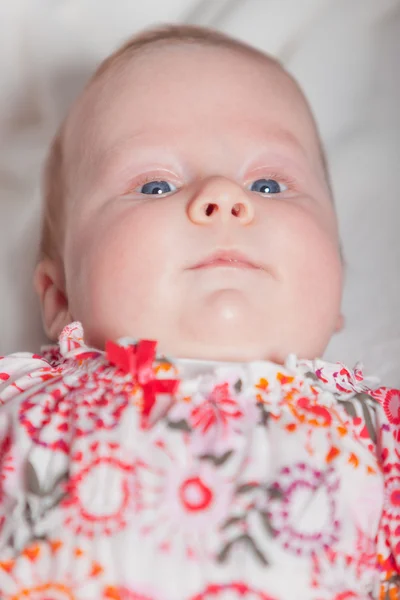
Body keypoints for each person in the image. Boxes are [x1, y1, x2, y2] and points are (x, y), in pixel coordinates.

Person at [0, 24, 398, 600]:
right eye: (156, 186)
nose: (224, 197)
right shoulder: (18, 405)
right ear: (60, 298)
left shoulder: (380, 434)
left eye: (268, 183)